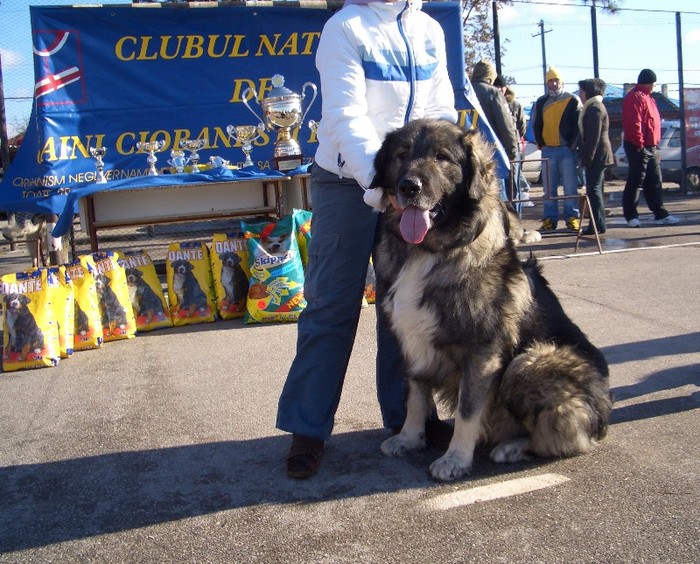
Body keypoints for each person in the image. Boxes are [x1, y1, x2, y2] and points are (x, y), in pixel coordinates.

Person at [276, 0, 458, 480]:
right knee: (331, 305)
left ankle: (408, 422)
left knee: (403, 308)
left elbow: (441, 111)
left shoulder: (428, 29)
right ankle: (307, 430)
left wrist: (431, 179)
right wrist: (383, 188)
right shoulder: (346, 26)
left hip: (412, 187)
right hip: (347, 181)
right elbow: (344, 117)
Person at [621, 68, 680, 226]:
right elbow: (634, 123)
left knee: (654, 180)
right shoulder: (635, 97)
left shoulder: (648, 98)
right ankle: (631, 216)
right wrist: (639, 145)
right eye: (652, 83)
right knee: (636, 180)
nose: (653, 86)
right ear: (648, 83)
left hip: (651, 146)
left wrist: (654, 146)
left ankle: (660, 213)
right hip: (638, 146)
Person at [532, 65, 582, 232]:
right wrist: (541, 143)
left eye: (556, 80)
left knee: (570, 186)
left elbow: (579, 125)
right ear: (547, 83)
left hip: (567, 150)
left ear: (562, 82)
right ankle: (549, 219)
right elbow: (536, 124)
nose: (554, 83)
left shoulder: (572, 100)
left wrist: (572, 145)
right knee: (548, 189)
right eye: (550, 80)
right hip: (548, 150)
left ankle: (572, 218)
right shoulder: (541, 102)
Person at [470, 61, 519, 201]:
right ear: (490, 76)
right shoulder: (493, 92)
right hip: (493, 151)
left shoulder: (464, 91)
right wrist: (511, 151)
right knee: (500, 197)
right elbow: (505, 125)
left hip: (470, 151)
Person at [577, 78, 614, 235]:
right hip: (598, 155)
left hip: (598, 156)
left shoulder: (594, 108)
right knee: (595, 190)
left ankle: (597, 225)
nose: (580, 94)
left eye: (582, 91)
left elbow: (593, 137)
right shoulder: (592, 106)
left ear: (589, 91)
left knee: (594, 190)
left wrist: (587, 159)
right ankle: (598, 224)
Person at [494, 74, 528, 205]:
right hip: (498, 149)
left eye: (501, 86)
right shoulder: (492, 100)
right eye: (496, 86)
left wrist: (514, 142)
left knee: (514, 186)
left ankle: (517, 216)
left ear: (505, 88)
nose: (499, 89)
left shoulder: (514, 105)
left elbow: (521, 126)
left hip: (513, 150)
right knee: (502, 187)